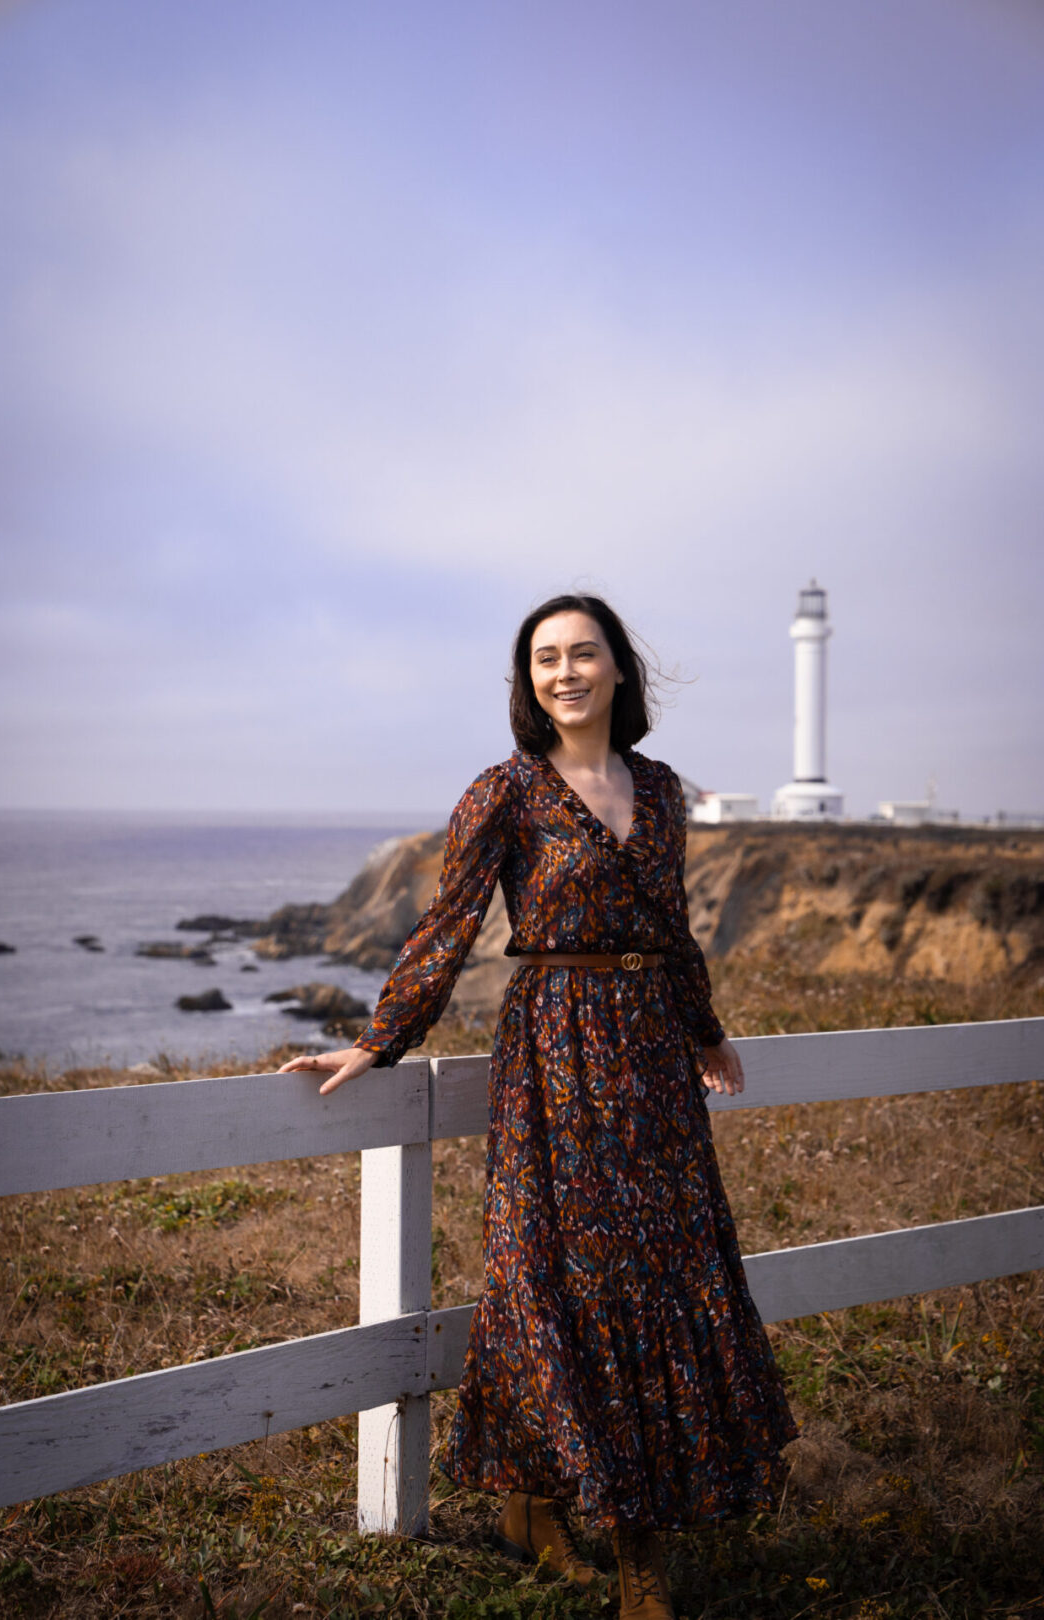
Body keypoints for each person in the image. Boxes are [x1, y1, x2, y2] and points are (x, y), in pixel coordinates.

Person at [280, 594, 797, 1620]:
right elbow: (446, 927)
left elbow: (673, 923)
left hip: (650, 1053)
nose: (565, 671)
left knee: (663, 1270)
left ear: (616, 669)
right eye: (545, 658)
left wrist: (701, 1024)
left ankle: (534, 1505)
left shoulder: (660, 791)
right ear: (529, 681)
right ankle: (628, 1553)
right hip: (554, 1052)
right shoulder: (507, 791)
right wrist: (381, 1039)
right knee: (563, 1279)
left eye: (583, 653)